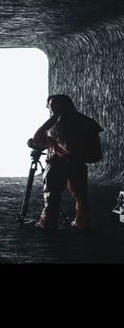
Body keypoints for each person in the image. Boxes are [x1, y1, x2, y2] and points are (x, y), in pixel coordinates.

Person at [30, 94, 103, 230]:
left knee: (53, 195)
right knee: (80, 195)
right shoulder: (87, 122)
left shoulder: (53, 125)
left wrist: (52, 118)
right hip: (77, 163)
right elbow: (96, 152)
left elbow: (37, 139)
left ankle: (48, 222)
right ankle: (82, 222)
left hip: (58, 164)